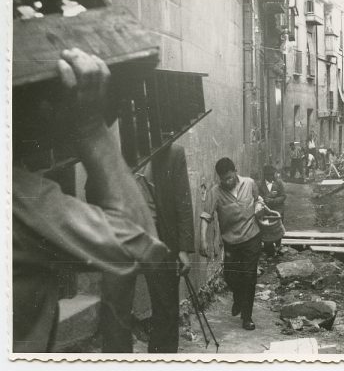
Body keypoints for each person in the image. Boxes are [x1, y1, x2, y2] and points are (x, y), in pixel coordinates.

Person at [12, 48, 168, 352]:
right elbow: (139, 241)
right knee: (116, 318)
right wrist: (89, 126)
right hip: (106, 252)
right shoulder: (18, 195)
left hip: (100, 249)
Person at [100, 143, 195, 353]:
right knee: (115, 312)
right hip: (121, 240)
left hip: (160, 239)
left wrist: (183, 248)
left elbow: (183, 200)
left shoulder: (173, 152)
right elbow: (94, 191)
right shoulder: (112, 147)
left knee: (166, 309)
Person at [197, 158, 266, 331]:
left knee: (249, 277)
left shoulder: (249, 183)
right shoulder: (215, 192)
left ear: (235, 171)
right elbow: (206, 216)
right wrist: (203, 239)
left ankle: (247, 317)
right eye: (223, 179)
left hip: (251, 236)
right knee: (230, 276)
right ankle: (238, 297)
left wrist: (259, 206)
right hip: (231, 242)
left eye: (229, 177)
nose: (227, 181)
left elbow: (259, 199)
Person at [258, 165, 286, 256]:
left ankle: (278, 246)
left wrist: (273, 201)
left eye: (273, 174)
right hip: (266, 211)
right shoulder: (260, 185)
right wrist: (265, 199)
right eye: (270, 175)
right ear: (266, 175)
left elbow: (283, 196)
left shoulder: (279, 183)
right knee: (267, 229)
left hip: (278, 210)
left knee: (277, 228)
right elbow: (258, 197)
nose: (273, 177)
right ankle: (268, 249)